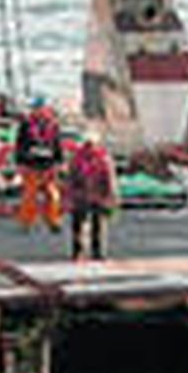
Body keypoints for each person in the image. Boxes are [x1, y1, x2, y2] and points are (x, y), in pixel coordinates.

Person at [66, 130, 118, 260]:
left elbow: (110, 179)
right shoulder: (77, 158)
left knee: (98, 224)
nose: (89, 146)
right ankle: (78, 250)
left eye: (92, 144)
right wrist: (69, 195)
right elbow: (71, 178)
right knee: (78, 224)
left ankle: (98, 251)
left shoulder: (103, 158)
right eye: (87, 144)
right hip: (81, 194)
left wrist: (111, 196)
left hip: (98, 194)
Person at [13, 97, 63, 232]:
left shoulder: (53, 125)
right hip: (31, 164)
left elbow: (57, 144)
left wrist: (59, 162)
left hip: (48, 165)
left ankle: (53, 220)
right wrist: (19, 162)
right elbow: (19, 144)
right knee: (30, 195)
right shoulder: (26, 124)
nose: (37, 111)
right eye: (35, 108)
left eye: (39, 108)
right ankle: (26, 222)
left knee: (53, 195)